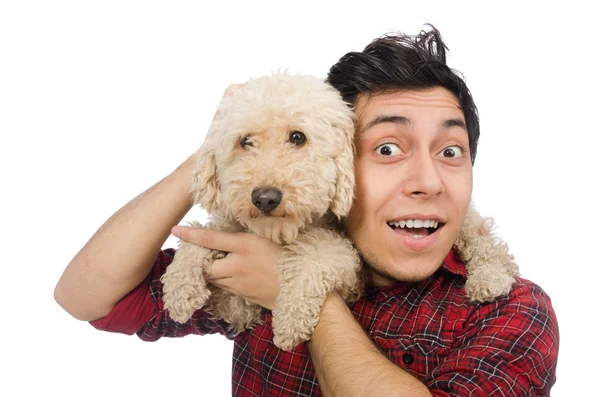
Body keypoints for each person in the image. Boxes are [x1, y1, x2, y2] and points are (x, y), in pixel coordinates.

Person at [54, 25, 559, 396]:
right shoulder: (264, 249)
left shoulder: (512, 312)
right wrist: (221, 149)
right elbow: (86, 297)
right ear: (335, 163)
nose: (427, 182)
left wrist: (301, 295)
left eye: (450, 151)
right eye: (387, 149)